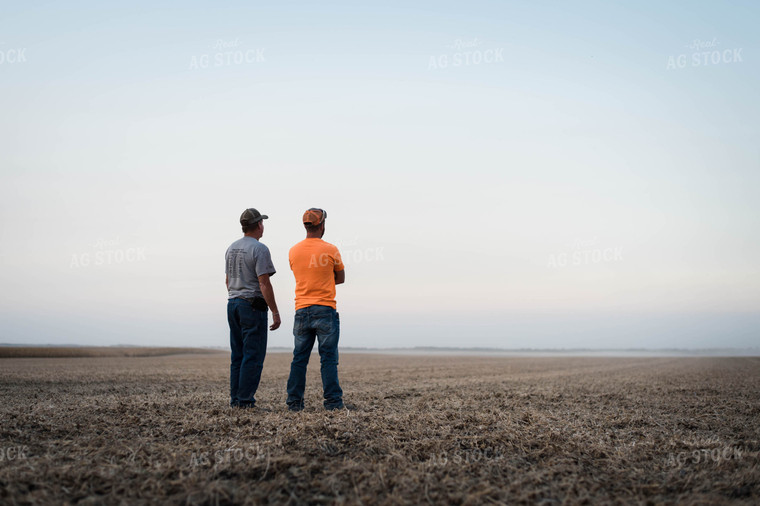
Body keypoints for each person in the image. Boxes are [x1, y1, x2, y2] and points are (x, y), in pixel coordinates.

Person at [286, 208, 349, 411]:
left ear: (305, 225)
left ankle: (294, 403)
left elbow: (300, 275)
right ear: (322, 225)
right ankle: (333, 403)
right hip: (325, 309)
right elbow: (341, 278)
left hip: (302, 309)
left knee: (299, 359)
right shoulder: (331, 249)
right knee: (328, 359)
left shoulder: (293, 251)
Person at [225, 208, 281, 409]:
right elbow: (264, 282)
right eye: (262, 223)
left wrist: (234, 295)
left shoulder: (231, 248)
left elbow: (227, 280)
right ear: (258, 225)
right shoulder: (260, 249)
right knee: (253, 356)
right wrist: (274, 311)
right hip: (252, 305)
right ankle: (246, 401)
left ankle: (236, 400)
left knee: (237, 355)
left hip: (233, 303)